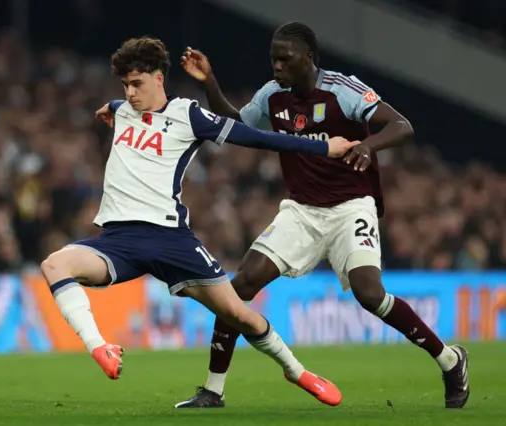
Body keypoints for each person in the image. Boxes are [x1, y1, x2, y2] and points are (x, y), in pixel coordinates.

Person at [40, 36, 357, 405]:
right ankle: (100, 348)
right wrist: (110, 106)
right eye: (124, 85)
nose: (129, 93)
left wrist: (323, 147)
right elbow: (118, 105)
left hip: (171, 240)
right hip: (117, 240)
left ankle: (297, 370)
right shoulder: (123, 109)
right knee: (54, 264)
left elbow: (255, 138)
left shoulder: (188, 115)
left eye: (137, 83)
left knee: (238, 314)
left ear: (159, 78)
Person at [175, 22, 469, 409]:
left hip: (351, 207)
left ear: (308, 58)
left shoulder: (342, 90)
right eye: (273, 59)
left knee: (370, 295)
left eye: (285, 59)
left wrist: (367, 145)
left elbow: (402, 125)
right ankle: (213, 390)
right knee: (240, 285)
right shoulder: (272, 95)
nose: (277, 66)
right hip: (302, 211)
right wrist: (210, 82)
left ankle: (450, 360)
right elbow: (238, 127)